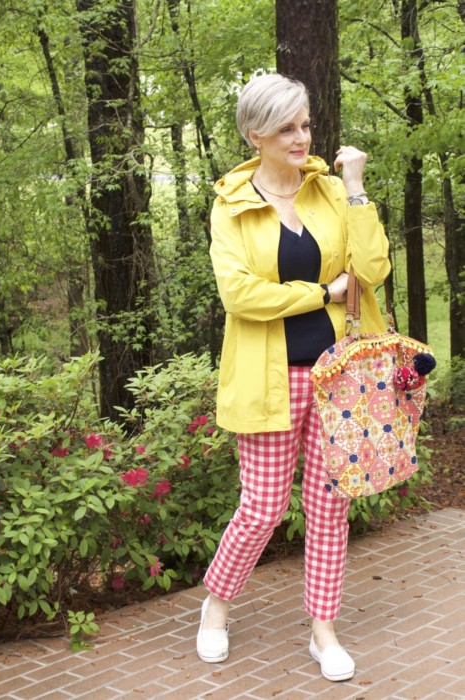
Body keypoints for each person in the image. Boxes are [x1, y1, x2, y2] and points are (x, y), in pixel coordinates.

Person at [198, 73, 390, 682]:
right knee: (261, 507)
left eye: (305, 124)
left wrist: (356, 189)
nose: (302, 137)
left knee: (330, 504)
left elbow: (374, 269)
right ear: (256, 134)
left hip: (338, 376)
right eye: (287, 128)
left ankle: (322, 630)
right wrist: (321, 293)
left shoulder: (331, 192)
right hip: (269, 376)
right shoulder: (232, 205)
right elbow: (240, 295)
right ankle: (216, 607)